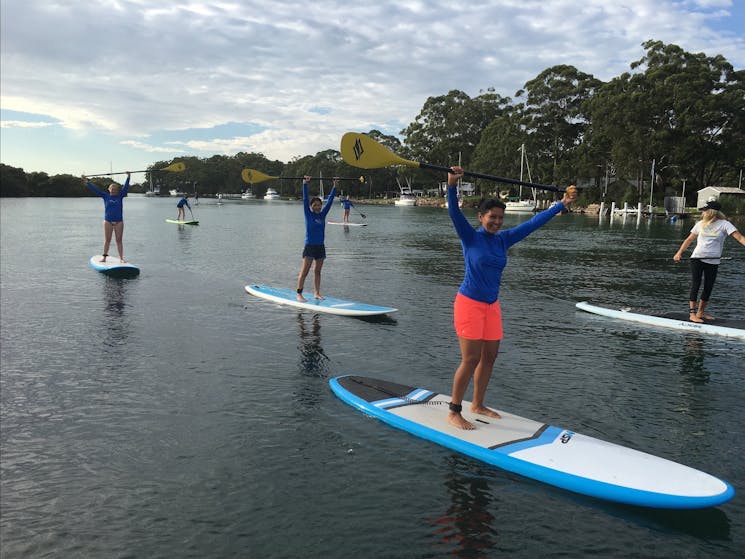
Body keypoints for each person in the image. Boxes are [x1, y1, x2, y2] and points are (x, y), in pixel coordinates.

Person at [445, 166, 577, 430]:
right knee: (470, 359)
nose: (497, 222)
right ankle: (454, 410)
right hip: (469, 305)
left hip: (491, 307)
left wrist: (560, 204)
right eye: (492, 217)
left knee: (490, 357)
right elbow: (454, 212)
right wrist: (451, 186)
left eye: (500, 218)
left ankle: (478, 404)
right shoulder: (469, 237)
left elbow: (532, 224)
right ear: (481, 217)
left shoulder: (503, 240)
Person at [673, 200, 745, 323]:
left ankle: (700, 312)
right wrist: (679, 253)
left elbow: (740, 238)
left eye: (705, 210)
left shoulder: (725, 224)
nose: (703, 212)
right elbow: (689, 239)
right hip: (697, 258)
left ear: (711, 212)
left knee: (708, 286)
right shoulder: (700, 224)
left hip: (713, 260)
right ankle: (692, 313)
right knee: (696, 284)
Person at [296, 175, 337, 301]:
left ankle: (317, 293)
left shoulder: (323, 215)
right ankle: (299, 294)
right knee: (305, 272)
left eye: (319, 205)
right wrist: (305, 184)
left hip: (320, 247)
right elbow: (304, 199)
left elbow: (329, 202)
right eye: (315, 205)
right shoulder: (308, 214)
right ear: (311, 206)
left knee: (317, 272)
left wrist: (335, 186)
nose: (318, 207)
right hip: (309, 247)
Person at [83, 172, 131, 263]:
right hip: (108, 221)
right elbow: (95, 190)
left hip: (119, 222)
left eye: (115, 189)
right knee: (107, 240)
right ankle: (104, 257)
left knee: (119, 240)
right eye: (112, 189)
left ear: (117, 190)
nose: (114, 191)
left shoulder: (121, 196)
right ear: (109, 190)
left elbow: (126, 187)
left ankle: (121, 258)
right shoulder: (105, 196)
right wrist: (86, 181)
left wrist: (128, 177)